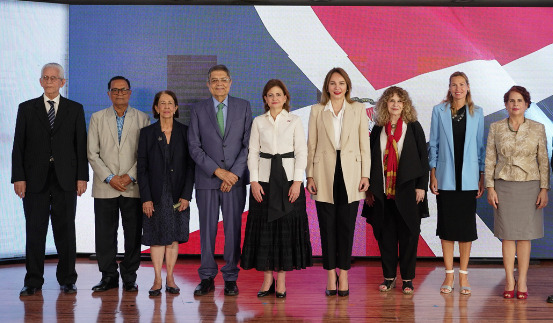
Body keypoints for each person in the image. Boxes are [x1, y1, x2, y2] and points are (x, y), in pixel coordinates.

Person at [12, 63, 88, 296]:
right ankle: (33, 280)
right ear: (40, 81)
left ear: (62, 82)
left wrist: (82, 177)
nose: (49, 81)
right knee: (35, 231)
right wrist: (18, 178)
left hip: (66, 179)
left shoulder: (75, 109)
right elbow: (19, 146)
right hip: (34, 180)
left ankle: (67, 279)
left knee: (66, 231)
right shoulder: (26, 109)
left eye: (54, 78)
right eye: (45, 77)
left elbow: (80, 146)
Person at [240, 79, 313, 298]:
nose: (274, 98)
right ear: (265, 99)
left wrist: (298, 182)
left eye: (278, 94)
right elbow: (252, 152)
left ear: (285, 98)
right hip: (263, 181)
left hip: (289, 182)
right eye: (270, 95)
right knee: (265, 232)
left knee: (285, 232)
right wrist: (253, 181)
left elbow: (301, 151)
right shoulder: (258, 122)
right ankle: (267, 279)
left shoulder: (295, 120)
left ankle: (281, 280)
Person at [188, 65, 252, 296]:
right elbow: (194, 147)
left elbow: (248, 145)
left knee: (233, 229)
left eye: (223, 80)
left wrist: (232, 174)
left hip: (234, 181)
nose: (219, 84)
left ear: (230, 82)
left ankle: (230, 277)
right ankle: (206, 277)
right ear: (208, 84)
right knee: (207, 231)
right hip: (207, 180)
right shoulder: (197, 109)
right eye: (214, 80)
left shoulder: (244, 107)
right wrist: (218, 171)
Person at [306, 67, 370, 297]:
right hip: (324, 173)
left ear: (347, 86)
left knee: (346, 227)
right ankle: (330, 275)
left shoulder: (358, 109)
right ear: (326, 87)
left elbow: (365, 145)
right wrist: (309, 175)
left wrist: (366, 174)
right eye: (333, 83)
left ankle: (344, 274)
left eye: (341, 83)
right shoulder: (317, 110)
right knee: (327, 228)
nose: (337, 87)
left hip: (351, 174)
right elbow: (311, 145)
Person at [363, 86, 429, 294]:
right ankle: (389, 277)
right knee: (386, 237)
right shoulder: (378, 128)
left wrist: (421, 186)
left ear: (405, 105)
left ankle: (407, 279)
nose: (395, 104)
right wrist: (369, 191)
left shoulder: (414, 127)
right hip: (383, 193)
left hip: (409, 191)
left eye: (399, 101)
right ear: (385, 104)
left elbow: (423, 159)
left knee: (409, 236)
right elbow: (369, 160)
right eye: (391, 100)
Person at [87, 76, 150, 292]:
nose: (119, 94)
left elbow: (145, 154)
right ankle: (108, 276)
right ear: (109, 94)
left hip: (132, 186)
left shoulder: (143, 118)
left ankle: (130, 277)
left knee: (133, 234)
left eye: (123, 90)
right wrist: (110, 177)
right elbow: (92, 153)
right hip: (106, 186)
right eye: (115, 90)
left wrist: (129, 176)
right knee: (105, 235)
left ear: (130, 93)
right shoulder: (97, 118)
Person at [485, 85, 549, 300]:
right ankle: (509, 280)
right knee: (507, 236)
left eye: (519, 101)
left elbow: (543, 161)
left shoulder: (538, 128)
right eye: (511, 101)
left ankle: (522, 280)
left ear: (527, 104)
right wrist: (490, 188)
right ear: (506, 104)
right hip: (503, 185)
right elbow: (490, 159)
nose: (515, 104)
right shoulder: (496, 128)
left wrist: (544, 189)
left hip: (530, 186)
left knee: (524, 236)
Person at [428, 71, 485, 295]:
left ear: (468, 87)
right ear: (449, 88)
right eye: (454, 85)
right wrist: (433, 175)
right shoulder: (438, 111)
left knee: (466, 228)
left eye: (462, 84)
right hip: (446, 177)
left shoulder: (477, 112)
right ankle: (448, 274)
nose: (458, 88)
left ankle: (463, 276)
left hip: (470, 178)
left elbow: (481, 148)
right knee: (447, 227)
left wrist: (481, 177)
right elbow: (433, 144)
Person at [137, 91, 195, 296]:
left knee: (172, 238)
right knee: (156, 237)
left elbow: (190, 167)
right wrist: (146, 198)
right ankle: (157, 279)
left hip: (178, 194)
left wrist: (187, 195)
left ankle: (170, 278)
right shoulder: (147, 133)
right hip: (155, 193)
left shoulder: (186, 132)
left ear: (176, 108)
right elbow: (141, 169)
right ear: (156, 108)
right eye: (162, 103)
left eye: (171, 103)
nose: (167, 107)